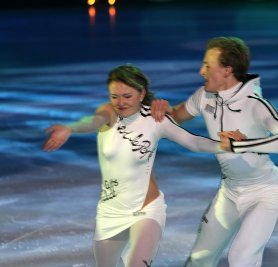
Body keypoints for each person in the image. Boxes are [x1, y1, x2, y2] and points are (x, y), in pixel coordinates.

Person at [42, 64, 235, 267]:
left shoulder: (155, 119)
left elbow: (193, 142)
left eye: (127, 96)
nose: (120, 102)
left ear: (141, 94)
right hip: (111, 212)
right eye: (114, 96)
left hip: (147, 209)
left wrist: (225, 146)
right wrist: (70, 128)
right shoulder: (109, 113)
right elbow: (92, 121)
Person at [151, 36, 278, 267]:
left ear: (227, 70)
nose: (201, 71)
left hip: (265, 192)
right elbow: (177, 116)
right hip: (229, 192)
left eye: (207, 65)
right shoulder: (204, 96)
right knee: (199, 259)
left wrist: (242, 144)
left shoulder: (254, 103)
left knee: (241, 258)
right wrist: (159, 109)